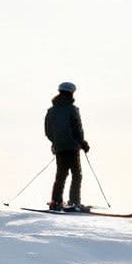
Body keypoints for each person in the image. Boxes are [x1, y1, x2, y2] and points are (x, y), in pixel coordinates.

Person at [43, 81, 89, 211]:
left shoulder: (51, 111)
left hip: (59, 147)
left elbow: (48, 131)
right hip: (72, 146)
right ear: (71, 93)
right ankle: (74, 203)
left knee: (61, 175)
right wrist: (83, 143)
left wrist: (56, 142)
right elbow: (77, 129)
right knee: (76, 174)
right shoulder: (72, 109)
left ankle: (56, 202)